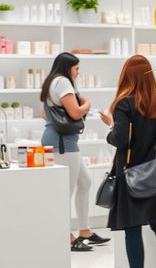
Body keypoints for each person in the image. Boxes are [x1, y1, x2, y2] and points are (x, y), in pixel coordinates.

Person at [99, 55, 156, 268]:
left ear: (126, 76)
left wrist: (110, 126)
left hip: (131, 174)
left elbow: (121, 139)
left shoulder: (124, 104)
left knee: (132, 228)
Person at [40, 52, 110, 252]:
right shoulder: (63, 82)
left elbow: (44, 113)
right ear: (67, 67)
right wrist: (87, 104)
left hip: (59, 139)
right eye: (76, 68)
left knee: (85, 182)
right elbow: (75, 112)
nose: (78, 73)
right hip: (63, 143)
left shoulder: (51, 81)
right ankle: (67, 235)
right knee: (66, 190)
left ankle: (85, 230)